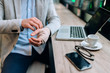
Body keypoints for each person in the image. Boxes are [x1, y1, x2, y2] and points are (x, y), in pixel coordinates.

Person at [0, 0, 61, 73]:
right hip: (17, 49)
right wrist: (20, 23)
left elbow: (55, 19)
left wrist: (47, 30)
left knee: (64, 64)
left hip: (43, 47)